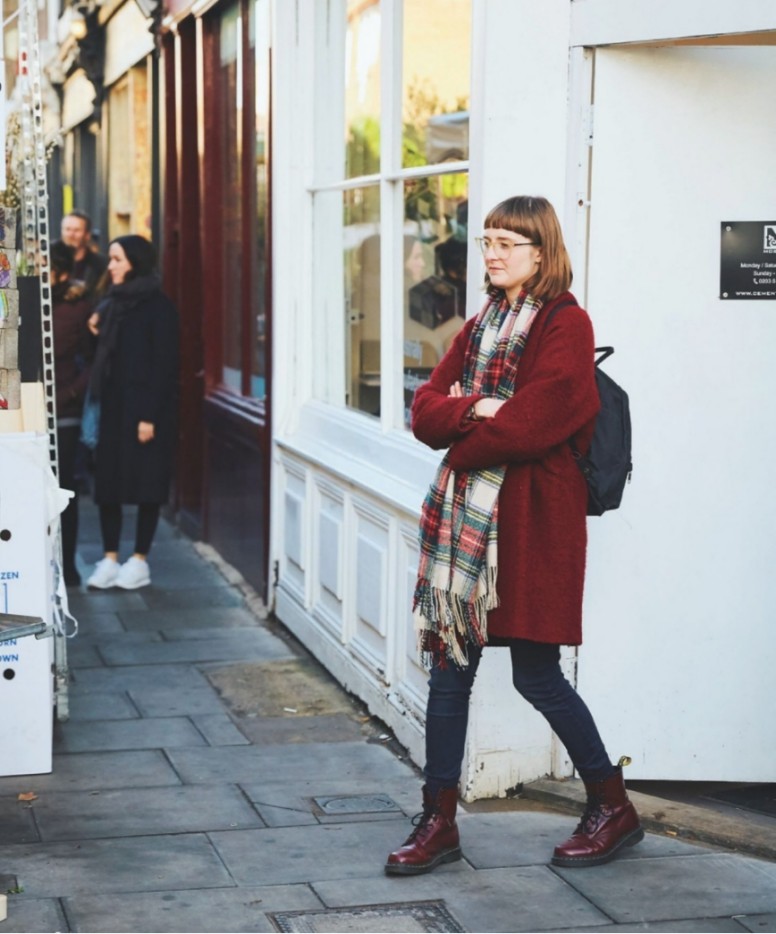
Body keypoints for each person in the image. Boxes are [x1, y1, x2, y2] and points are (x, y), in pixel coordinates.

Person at [385, 195, 642, 876]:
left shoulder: (567, 324)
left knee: (538, 674)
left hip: (531, 524)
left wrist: (464, 434)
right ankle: (438, 820)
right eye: (487, 241)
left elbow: (539, 421)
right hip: (471, 533)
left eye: (507, 242)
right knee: (450, 671)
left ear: (541, 250)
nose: (492, 253)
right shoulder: (478, 327)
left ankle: (611, 805)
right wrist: (480, 407)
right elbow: (424, 411)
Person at [86, 235, 179, 591]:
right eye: (110, 259)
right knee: (108, 485)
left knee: (147, 486)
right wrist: (94, 332)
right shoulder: (110, 303)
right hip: (111, 407)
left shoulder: (159, 307)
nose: (110, 266)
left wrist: (150, 417)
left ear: (135, 262)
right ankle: (110, 558)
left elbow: (165, 366)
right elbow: (103, 360)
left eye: (117, 259)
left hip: (144, 412)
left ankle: (139, 560)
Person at [50, 240, 95, 586]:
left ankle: (68, 567)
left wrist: (69, 394)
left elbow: (92, 361)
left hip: (66, 410)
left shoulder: (78, 307)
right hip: (30, 409)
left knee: (65, 489)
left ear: (62, 272)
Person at [61, 210, 109, 301]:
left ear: (87, 235)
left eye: (76, 230)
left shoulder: (101, 265)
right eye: (67, 229)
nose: (71, 235)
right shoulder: (51, 261)